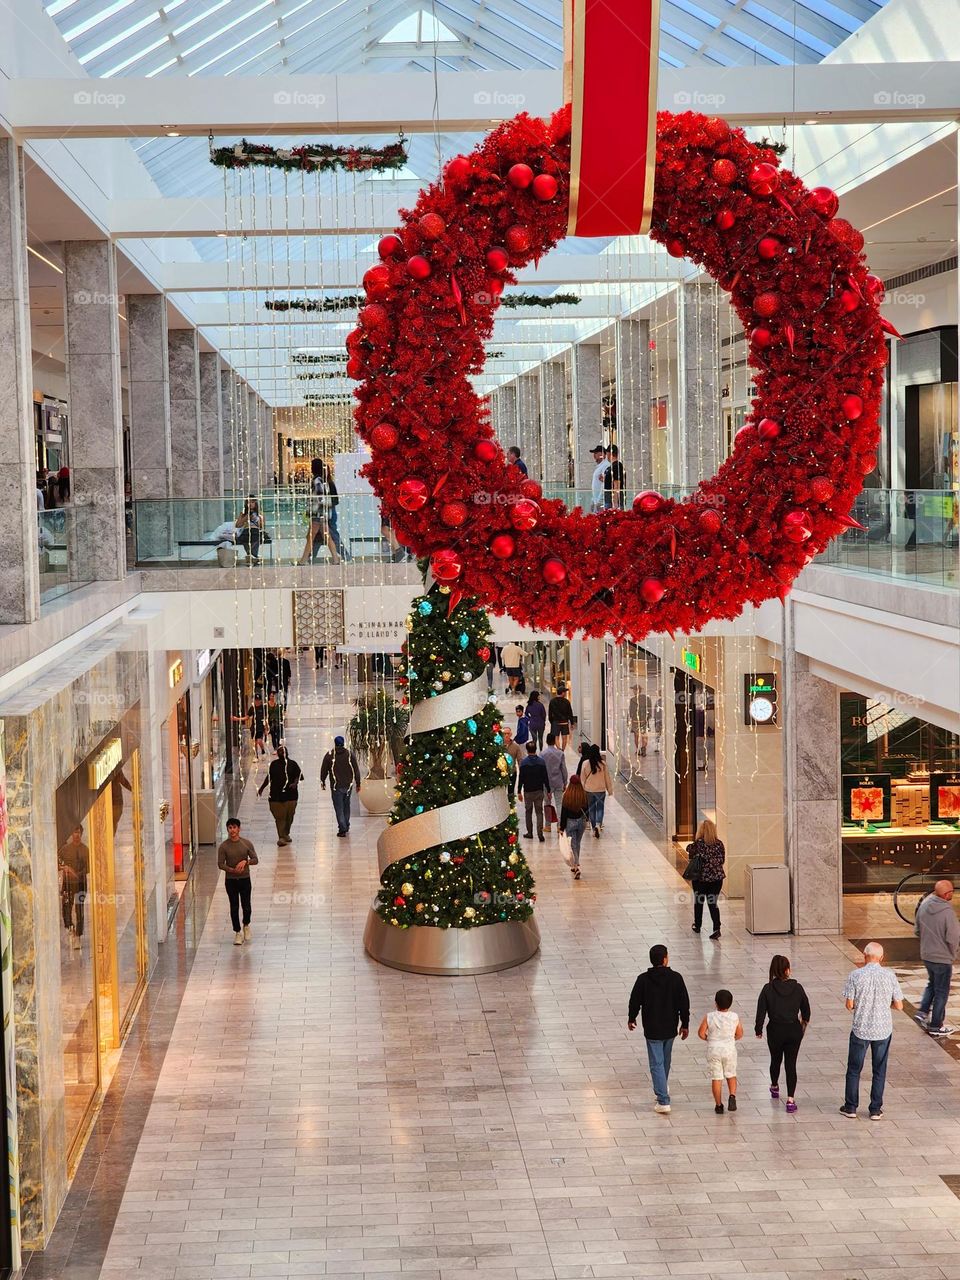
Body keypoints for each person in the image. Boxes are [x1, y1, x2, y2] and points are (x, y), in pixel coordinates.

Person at [840, 941, 904, 1120]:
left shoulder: (855, 975)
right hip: (883, 1030)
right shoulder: (889, 976)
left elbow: (849, 1005)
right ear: (882, 957)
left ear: (864, 956)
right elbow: (899, 1006)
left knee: (854, 1069)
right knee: (879, 1069)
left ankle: (851, 1107)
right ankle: (875, 1109)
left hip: (860, 1029)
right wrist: (885, 1003)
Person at [628, 944, 690, 1114]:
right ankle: (663, 1088)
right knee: (665, 1060)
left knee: (657, 1063)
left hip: (652, 1028)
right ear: (665, 959)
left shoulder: (643, 979)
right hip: (670, 1027)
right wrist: (685, 1024)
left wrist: (631, 1017)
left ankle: (663, 1100)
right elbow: (684, 1003)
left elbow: (634, 1000)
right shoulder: (676, 978)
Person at [755, 954, 811, 1114]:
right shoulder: (798, 988)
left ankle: (774, 1085)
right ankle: (791, 1099)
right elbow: (806, 1011)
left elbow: (761, 1011)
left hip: (775, 1029)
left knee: (775, 1059)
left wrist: (758, 1029)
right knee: (791, 1064)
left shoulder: (767, 989)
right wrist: (802, 1024)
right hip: (793, 1029)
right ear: (787, 970)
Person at [914, 879, 959, 1037]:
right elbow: (953, 937)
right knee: (942, 992)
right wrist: (953, 954)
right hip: (942, 958)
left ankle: (922, 1011)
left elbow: (917, 929)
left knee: (932, 984)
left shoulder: (925, 904)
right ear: (947, 894)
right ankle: (936, 1025)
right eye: (952, 891)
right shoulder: (947, 912)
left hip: (927, 955)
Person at [698, 989, 743, 1114]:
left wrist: (709, 1039)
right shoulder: (734, 1017)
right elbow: (740, 1033)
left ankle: (718, 1105)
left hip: (714, 1049)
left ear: (715, 1003)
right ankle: (732, 1096)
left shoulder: (709, 1016)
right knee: (731, 1074)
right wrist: (731, 1039)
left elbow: (701, 1033)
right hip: (729, 1049)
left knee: (717, 1077)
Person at [217, 818, 259, 945]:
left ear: (239, 829)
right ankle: (237, 932)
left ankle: (246, 924)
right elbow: (220, 864)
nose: (232, 830)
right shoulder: (224, 846)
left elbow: (255, 859)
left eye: (234, 827)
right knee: (234, 906)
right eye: (230, 828)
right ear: (227, 829)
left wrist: (246, 862)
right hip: (231, 881)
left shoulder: (246, 843)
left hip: (245, 879)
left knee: (246, 905)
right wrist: (231, 870)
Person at [686, 817, 726, 941]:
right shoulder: (719, 844)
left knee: (699, 902)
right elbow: (722, 860)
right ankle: (716, 928)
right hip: (717, 879)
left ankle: (697, 926)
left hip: (700, 879)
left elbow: (689, 852)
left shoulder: (698, 844)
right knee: (712, 903)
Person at [257, 745, 303, 846]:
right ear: (278, 754)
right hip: (276, 796)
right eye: (280, 752)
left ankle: (286, 833)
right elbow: (269, 777)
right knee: (280, 817)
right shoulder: (274, 765)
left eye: (284, 751)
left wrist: (295, 783)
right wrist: (261, 788)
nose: (283, 753)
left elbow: (299, 775)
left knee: (289, 817)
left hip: (291, 796)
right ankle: (281, 837)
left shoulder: (293, 764)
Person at [300, 457, 340, 564]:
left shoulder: (317, 480)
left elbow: (319, 496)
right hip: (322, 513)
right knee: (326, 536)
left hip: (317, 513)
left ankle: (303, 560)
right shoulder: (323, 480)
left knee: (311, 536)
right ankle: (335, 558)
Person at [320, 735, 361, 836]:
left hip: (336, 786)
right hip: (348, 785)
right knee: (346, 805)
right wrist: (358, 783)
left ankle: (342, 828)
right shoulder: (349, 754)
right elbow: (356, 770)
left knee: (339, 807)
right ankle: (346, 824)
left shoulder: (329, 755)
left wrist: (323, 781)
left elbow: (324, 769)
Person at [58, 825, 89, 949]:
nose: (76, 834)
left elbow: (89, 867)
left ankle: (78, 936)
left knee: (79, 910)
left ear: (81, 834)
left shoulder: (85, 850)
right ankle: (70, 928)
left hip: (81, 885)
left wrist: (77, 875)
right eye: (74, 832)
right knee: (66, 910)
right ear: (71, 834)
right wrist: (63, 868)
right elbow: (57, 862)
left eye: (78, 832)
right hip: (68, 885)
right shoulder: (65, 850)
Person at [559, 775, 590, 879]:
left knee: (573, 845)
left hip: (570, 822)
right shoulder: (583, 794)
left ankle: (576, 866)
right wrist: (587, 819)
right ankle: (575, 864)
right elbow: (587, 809)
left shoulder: (566, 795)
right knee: (576, 843)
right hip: (581, 822)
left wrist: (561, 827)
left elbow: (563, 813)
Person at [517, 743, 549, 842]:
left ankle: (530, 833)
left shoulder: (523, 763)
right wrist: (548, 790)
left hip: (528, 791)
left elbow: (521, 778)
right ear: (536, 750)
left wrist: (519, 791)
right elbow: (545, 777)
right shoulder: (542, 762)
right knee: (539, 812)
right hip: (539, 790)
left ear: (527, 750)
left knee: (528, 812)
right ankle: (540, 834)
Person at [580, 743, 613, 837]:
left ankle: (594, 826)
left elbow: (582, 778)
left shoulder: (585, 763)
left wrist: (583, 788)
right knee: (600, 808)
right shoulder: (603, 764)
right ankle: (599, 824)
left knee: (591, 809)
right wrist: (609, 790)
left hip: (589, 790)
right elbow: (607, 777)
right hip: (600, 790)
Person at [320, 461, 350, 561]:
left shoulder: (329, 484)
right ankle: (307, 558)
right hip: (326, 512)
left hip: (328, 512)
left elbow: (335, 499)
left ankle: (345, 556)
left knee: (331, 535)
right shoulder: (325, 483)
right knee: (318, 536)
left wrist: (326, 504)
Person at [541, 732, 568, 834]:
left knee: (547, 804)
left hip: (546, 783)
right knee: (559, 804)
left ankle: (548, 825)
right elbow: (563, 769)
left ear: (547, 741)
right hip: (558, 781)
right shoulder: (560, 753)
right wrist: (565, 782)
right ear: (554, 741)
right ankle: (560, 825)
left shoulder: (542, 754)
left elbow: (541, 770)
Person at [236, 495, 268, 564]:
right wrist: (245, 518)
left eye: (252, 502)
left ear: (255, 503)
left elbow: (262, 527)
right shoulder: (243, 514)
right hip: (246, 532)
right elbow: (237, 525)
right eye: (248, 502)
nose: (250, 504)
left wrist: (256, 519)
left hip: (256, 531)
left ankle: (250, 557)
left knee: (255, 535)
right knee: (245, 536)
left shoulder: (260, 513)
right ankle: (254, 558)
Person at [233, 693, 266, 758]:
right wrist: (237, 719)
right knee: (255, 742)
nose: (257, 701)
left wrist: (266, 728)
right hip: (253, 727)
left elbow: (266, 718)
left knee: (259, 741)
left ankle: (263, 750)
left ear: (260, 700)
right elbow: (247, 717)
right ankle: (256, 755)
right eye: (256, 700)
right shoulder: (252, 708)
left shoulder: (263, 708)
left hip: (260, 727)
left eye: (258, 700)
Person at [548, 684, 574, 750]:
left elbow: (550, 713)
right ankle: (562, 750)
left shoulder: (552, 701)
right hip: (564, 722)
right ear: (562, 693)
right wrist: (572, 723)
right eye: (565, 692)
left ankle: (558, 749)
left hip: (555, 722)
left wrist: (552, 721)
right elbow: (570, 713)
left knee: (556, 737)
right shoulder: (567, 702)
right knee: (564, 737)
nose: (565, 693)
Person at [628, 686, 651, 757]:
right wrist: (648, 717)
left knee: (636, 736)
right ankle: (643, 748)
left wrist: (629, 720)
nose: (633, 692)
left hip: (635, 720)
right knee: (644, 735)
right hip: (644, 719)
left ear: (636, 690)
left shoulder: (633, 700)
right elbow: (649, 710)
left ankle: (638, 750)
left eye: (634, 690)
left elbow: (631, 711)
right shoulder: (647, 699)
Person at [501, 726, 522, 804]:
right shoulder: (499, 746)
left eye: (508, 733)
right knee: (501, 793)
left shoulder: (516, 746)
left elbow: (520, 760)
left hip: (512, 772)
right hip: (501, 773)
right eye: (504, 733)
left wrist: (522, 771)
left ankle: (511, 807)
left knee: (511, 792)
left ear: (511, 734)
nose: (506, 735)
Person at [603, 444, 625, 509]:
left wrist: (615, 504)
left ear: (609, 454)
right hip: (609, 499)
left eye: (607, 454)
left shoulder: (617, 466)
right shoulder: (612, 466)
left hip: (612, 501)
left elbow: (616, 484)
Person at [589, 443, 608, 512]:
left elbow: (604, 484)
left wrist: (599, 501)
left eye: (596, 453)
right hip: (596, 500)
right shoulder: (600, 466)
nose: (594, 455)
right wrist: (593, 500)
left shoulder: (605, 466)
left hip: (601, 501)